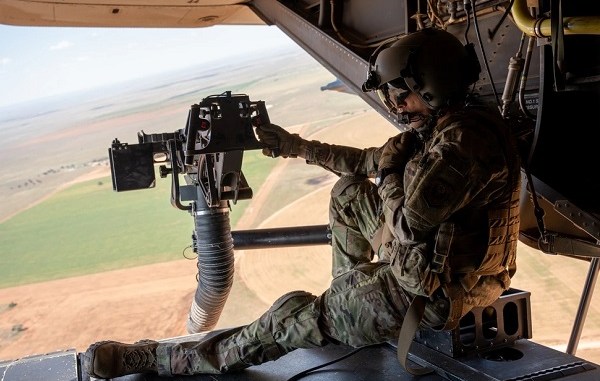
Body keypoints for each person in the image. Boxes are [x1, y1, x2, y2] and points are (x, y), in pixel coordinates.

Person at [83, 27, 521, 379]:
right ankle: (348, 308)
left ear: (430, 89)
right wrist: (294, 145)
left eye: (400, 95)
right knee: (349, 193)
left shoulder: (463, 146)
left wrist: (389, 172)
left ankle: (159, 360)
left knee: (289, 315)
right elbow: (366, 162)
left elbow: (406, 222)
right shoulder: (448, 128)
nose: (396, 106)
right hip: (427, 265)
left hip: (435, 293)